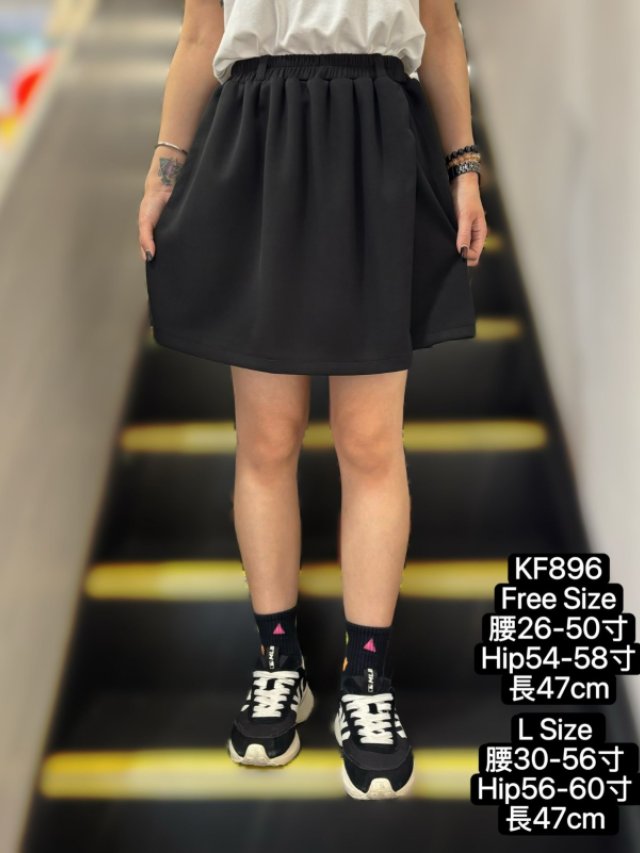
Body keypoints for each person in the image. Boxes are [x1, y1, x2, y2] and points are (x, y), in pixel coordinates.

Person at [138, 0, 487, 800]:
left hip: (375, 136)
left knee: (370, 440)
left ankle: (366, 680)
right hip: (257, 135)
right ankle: (278, 661)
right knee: (268, 437)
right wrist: (164, 169)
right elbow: (201, 35)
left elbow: (438, 28)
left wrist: (463, 165)